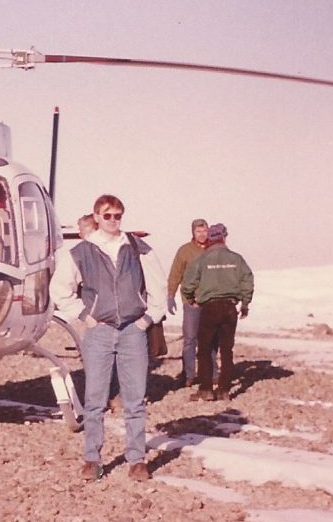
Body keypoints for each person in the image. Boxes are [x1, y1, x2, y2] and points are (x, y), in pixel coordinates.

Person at [50, 194, 167, 481]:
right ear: (97, 217)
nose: (113, 221)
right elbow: (60, 290)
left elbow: (158, 288)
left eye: (117, 215)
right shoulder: (80, 252)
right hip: (99, 333)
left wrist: (146, 320)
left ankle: (137, 460)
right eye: (107, 215)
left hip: (132, 332)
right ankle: (93, 459)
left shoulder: (139, 248)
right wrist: (85, 317)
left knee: (135, 399)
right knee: (95, 399)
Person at [181, 223, 254, 401]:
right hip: (230, 308)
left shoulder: (201, 260)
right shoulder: (237, 259)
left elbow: (187, 284)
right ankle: (224, 390)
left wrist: (191, 299)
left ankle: (206, 389)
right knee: (226, 350)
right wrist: (245, 304)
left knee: (204, 349)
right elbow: (247, 281)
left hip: (209, 308)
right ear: (225, 238)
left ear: (209, 240)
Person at [167, 218, 212, 387]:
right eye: (198, 231)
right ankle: (189, 375)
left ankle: (211, 374)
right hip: (191, 302)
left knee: (209, 340)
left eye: (205, 231)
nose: (202, 235)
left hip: (210, 302)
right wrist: (170, 295)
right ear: (193, 232)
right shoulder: (185, 251)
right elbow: (175, 274)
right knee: (190, 339)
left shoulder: (213, 250)